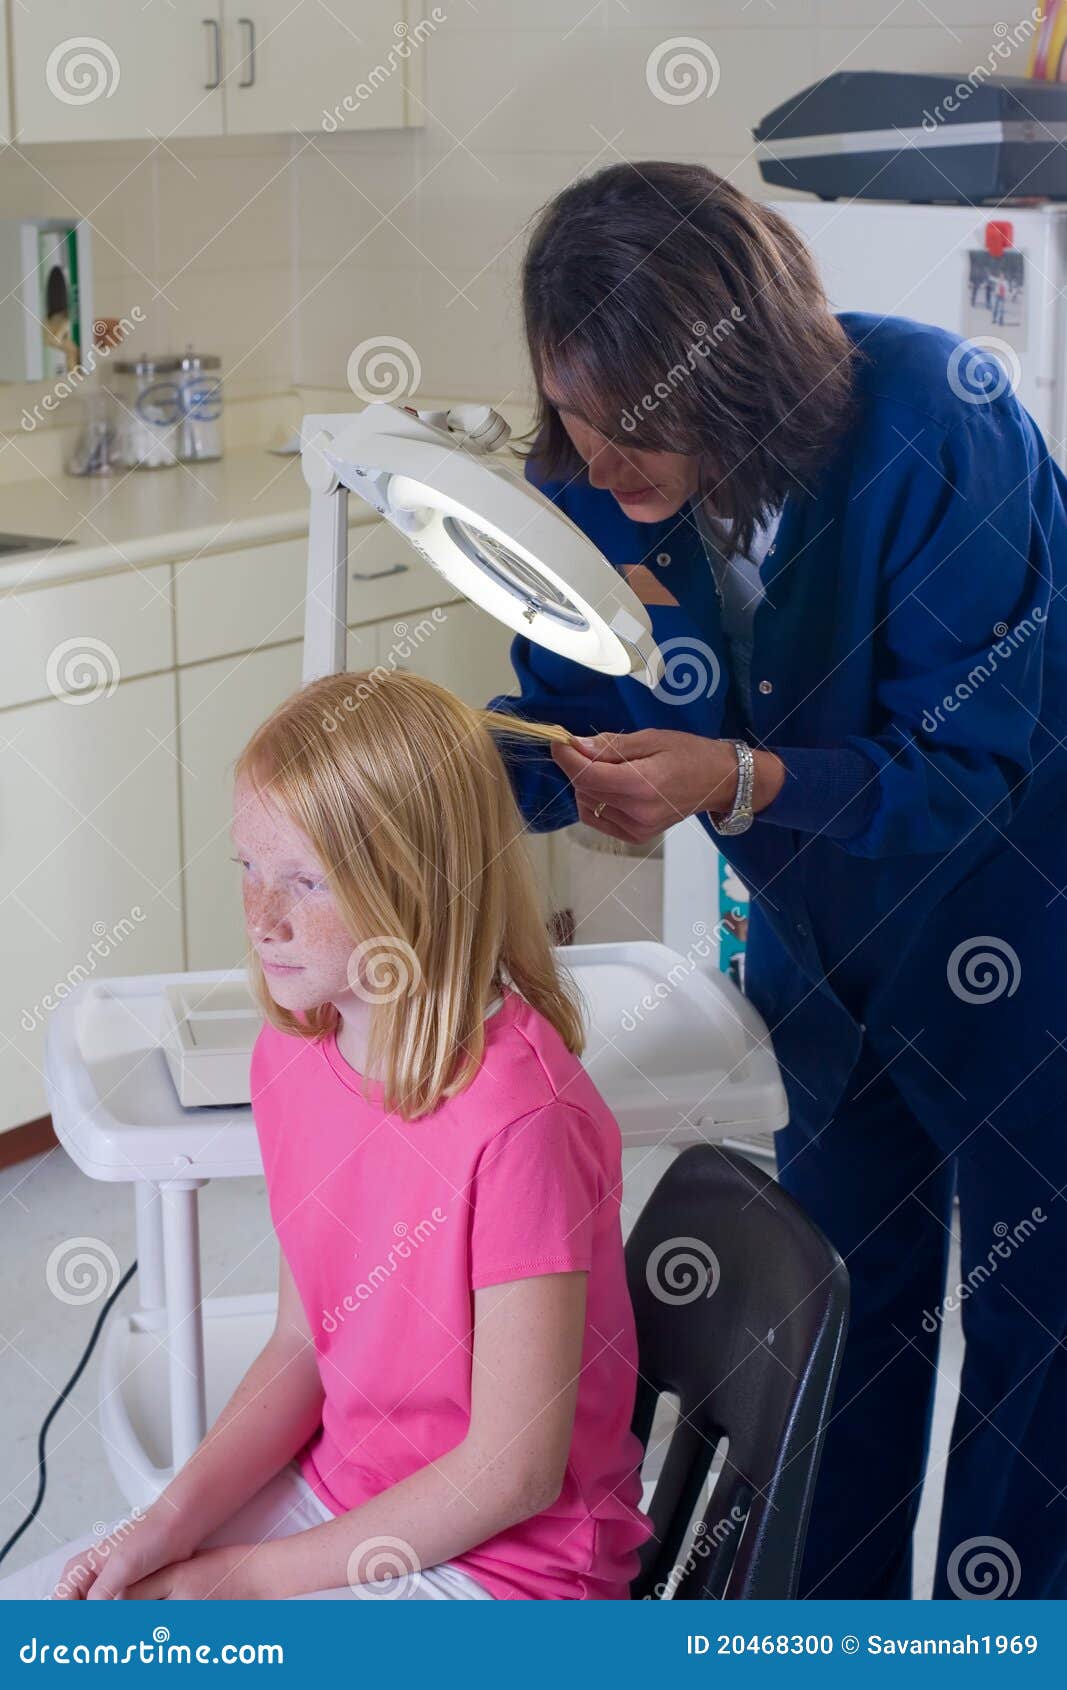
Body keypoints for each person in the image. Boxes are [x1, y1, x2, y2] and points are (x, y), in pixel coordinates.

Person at [485, 160, 1067, 1600]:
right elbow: (570, 705)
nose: (602, 462)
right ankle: (824, 1633)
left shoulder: (938, 418)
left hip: (1019, 925)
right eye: (573, 414)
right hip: (821, 944)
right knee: (845, 1302)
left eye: (638, 427)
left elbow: (969, 763)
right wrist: (457, 771)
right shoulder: (600, 479)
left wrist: (731, 777)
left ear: (739, 375)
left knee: (1029, 1321)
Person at [1, 672, 652, 1601]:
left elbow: (512, 1473)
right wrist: (168, 1526)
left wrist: (241, 1582)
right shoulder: (291, 1056)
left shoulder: (522, 1124)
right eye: (247, 868)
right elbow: (304, 1345)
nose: (260, 917)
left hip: (507, 1571)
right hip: (351, 1494)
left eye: (303, 881)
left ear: (417, 886)